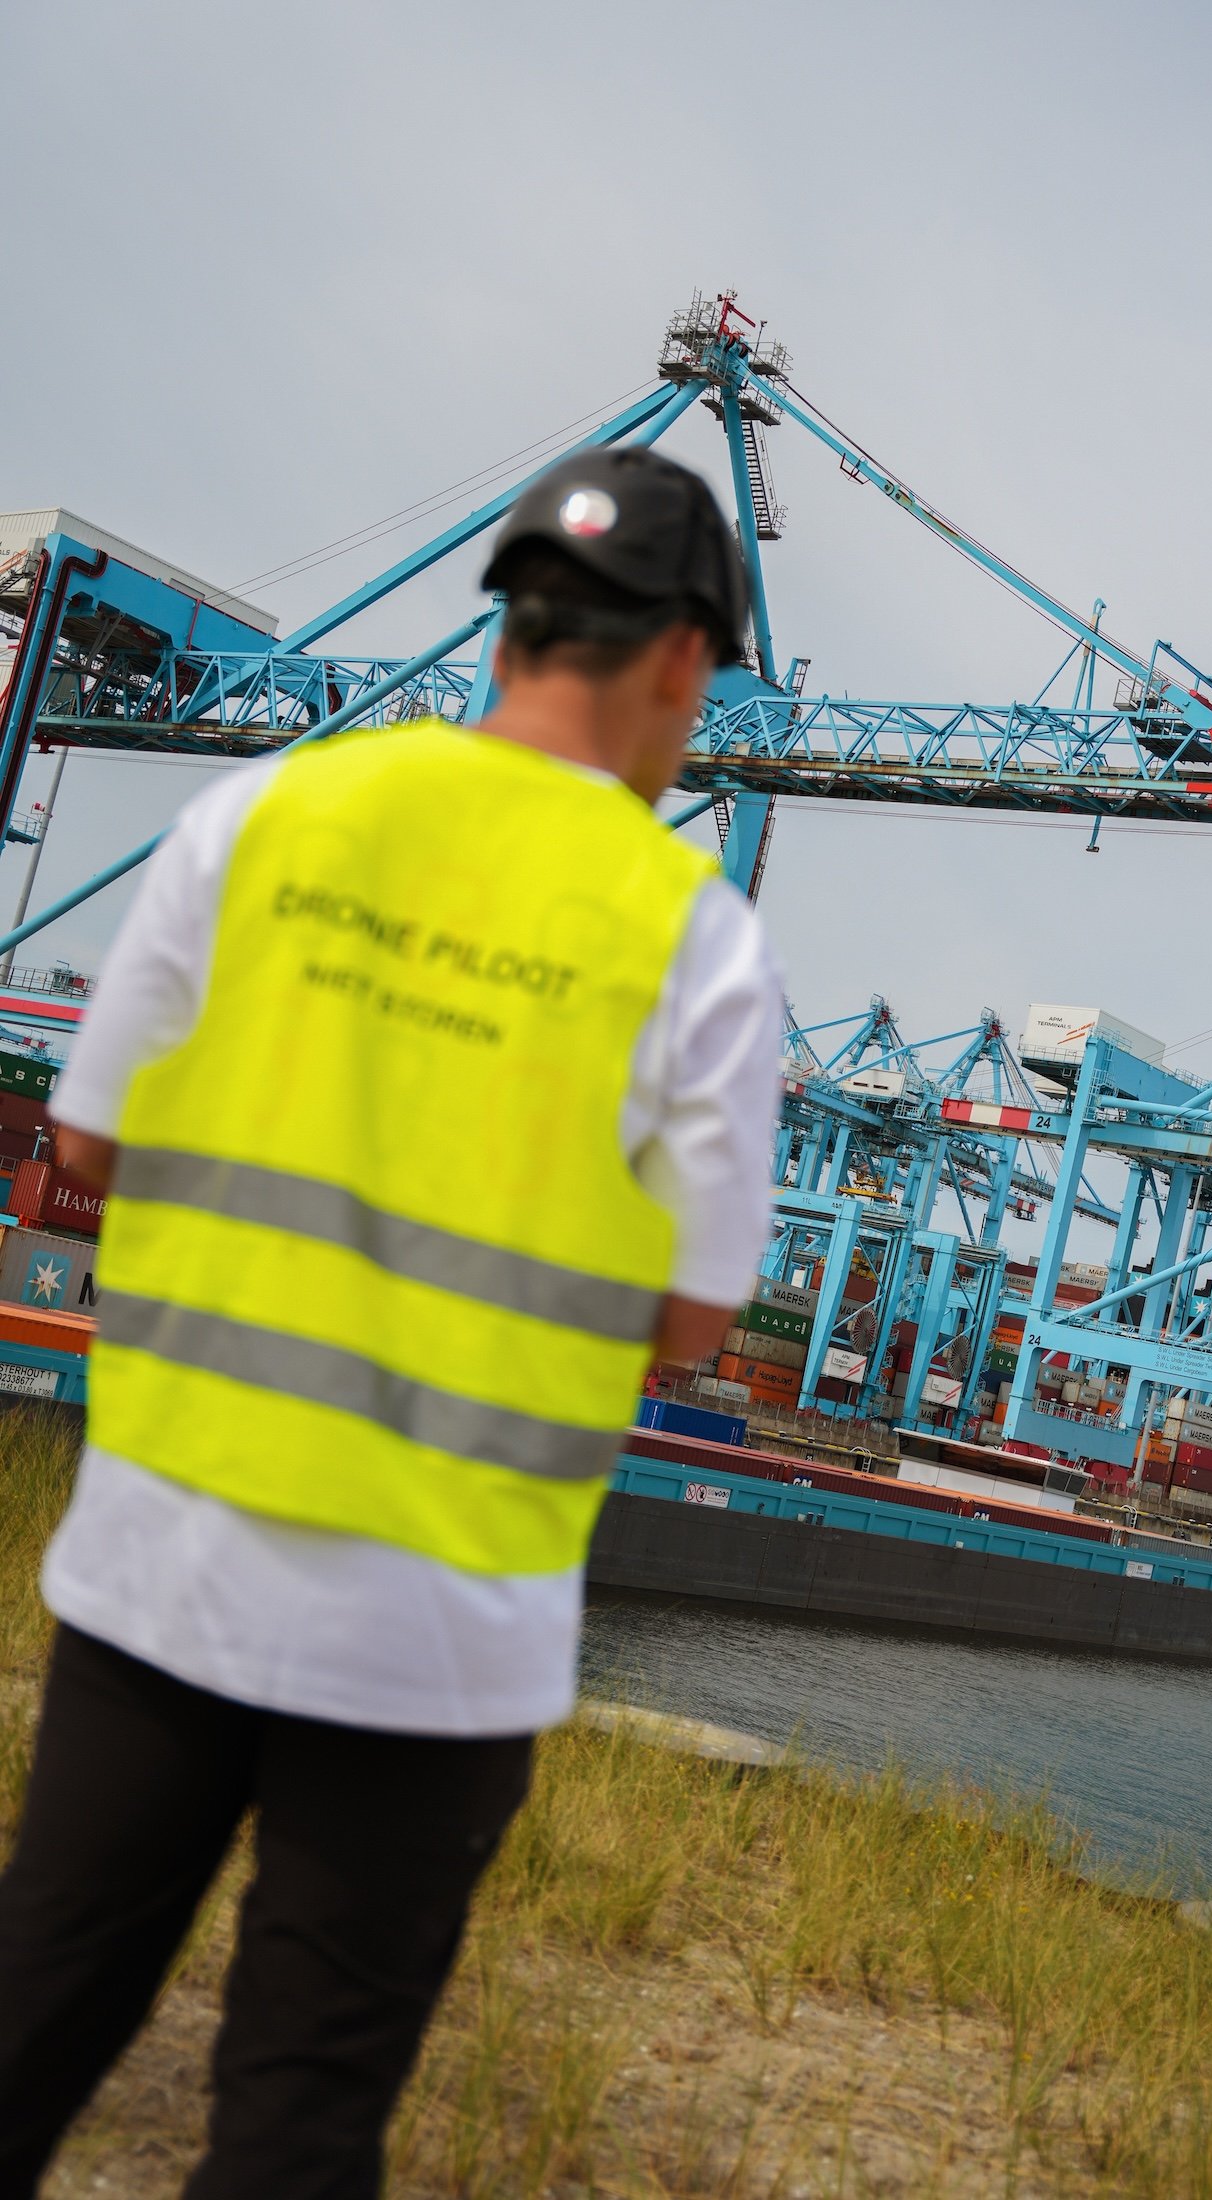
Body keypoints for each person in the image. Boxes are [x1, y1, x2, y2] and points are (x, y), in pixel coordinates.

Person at [0, 447, 783, 2197]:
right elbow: (694, 1318)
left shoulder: (269, 816)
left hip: (165, 1560)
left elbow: (86, 1138)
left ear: (510, 628)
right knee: (301, 2116)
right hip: (437, 1635)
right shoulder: (698, 946)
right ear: (678, 660)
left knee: (28, 2020)